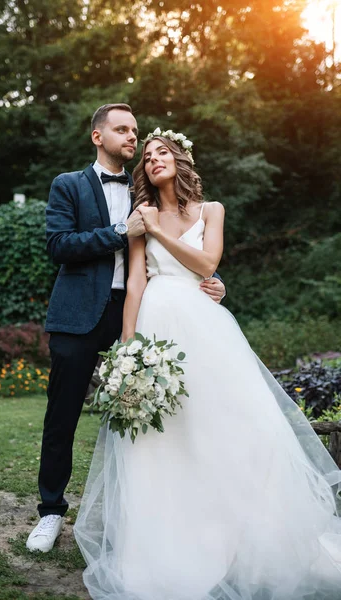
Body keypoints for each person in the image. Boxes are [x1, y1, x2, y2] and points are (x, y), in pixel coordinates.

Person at [74, 129, 341, 600]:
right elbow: (135, 283)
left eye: (162, 152)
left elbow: (207, 263)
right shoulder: (142, 215)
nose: (154, 159)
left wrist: (158, 232)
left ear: (179, 160)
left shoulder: (211, 210)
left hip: (206, 331)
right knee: (160, 439)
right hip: (156, 326)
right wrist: (127, 349)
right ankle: (163, 547)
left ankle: (239, 543)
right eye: (148, 156)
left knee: (227, 430)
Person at [26, 106, 226, 553]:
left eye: (135, 130)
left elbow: (175, 255)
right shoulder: (69, 185)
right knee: (62, 417)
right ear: (98, 136)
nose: (132, 136)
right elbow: (59, 246)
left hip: (139, 313)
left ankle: (133, 511)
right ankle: (51, 512)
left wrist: (211, 284)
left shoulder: (145, 196)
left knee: (140, 415)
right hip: (79, 315)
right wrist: (120, 231)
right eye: (122, 129)